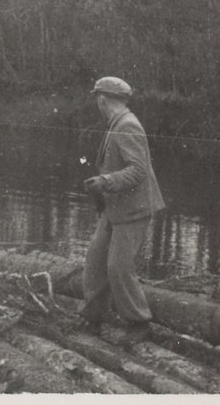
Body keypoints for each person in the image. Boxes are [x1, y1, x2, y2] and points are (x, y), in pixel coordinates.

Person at [81, 76, 165, 345]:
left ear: (103, 100)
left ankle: (139, 323)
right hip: (115, 208)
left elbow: (138, 171)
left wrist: (106, 181)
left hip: (133, 210)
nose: (97, 103)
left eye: (97, 99)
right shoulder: (116, 124)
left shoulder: (127, 126)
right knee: (95, 260)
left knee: (119, 267)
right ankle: (92, 317)